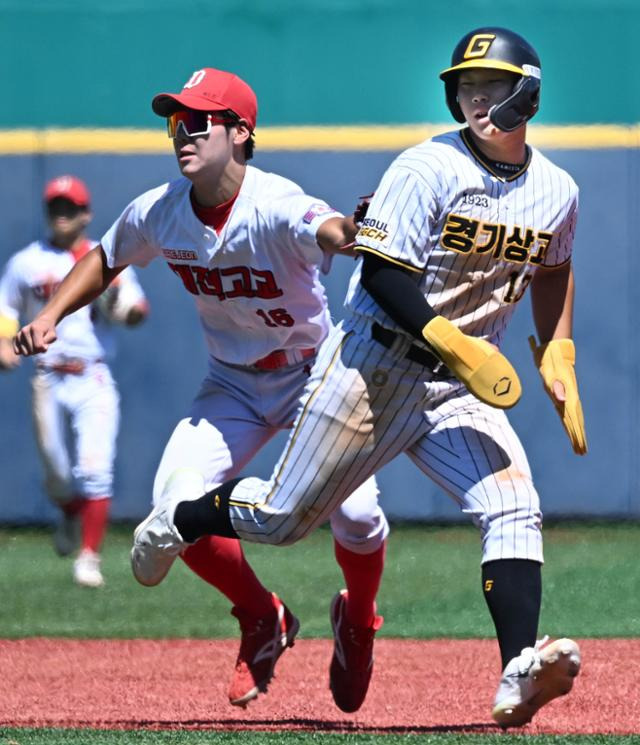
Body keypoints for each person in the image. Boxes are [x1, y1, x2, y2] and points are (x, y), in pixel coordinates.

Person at [118, 28, 587, 727]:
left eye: (490, 86)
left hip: (459, 385)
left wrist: (557, 348)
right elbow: (383, 272)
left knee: (514, 506)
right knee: (280, 518)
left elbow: (552, 263)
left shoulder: (557, 189)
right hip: (375, 363)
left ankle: (519, 668)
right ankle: (182, 517)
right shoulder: (427, 167)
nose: (476, 99)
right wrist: (452, 344)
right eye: (465, 87)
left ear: (529, 92)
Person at [12, 69, 389, 712]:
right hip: (234, 384)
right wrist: (51, 316)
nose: (180, 134)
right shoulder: (160, 209)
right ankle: (260, 615)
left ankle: (358, 620)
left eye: (196, 122)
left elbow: (325, 227)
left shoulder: (272, 201)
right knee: (172, 514)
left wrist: (353, 234)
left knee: (355, 515)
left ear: (240, 133)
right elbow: (105, 257)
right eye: (172, 123)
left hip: (313, 376)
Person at [0, 175, 149, 588]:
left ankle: (89, 557)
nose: (61, 215)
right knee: (57, 473)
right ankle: (68, 509)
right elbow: (5, 311)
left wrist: (126, 309)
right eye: (55, 208)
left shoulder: (103, 257)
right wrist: (4, 344)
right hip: (47, 375)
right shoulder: (27, 262)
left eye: (69, 208)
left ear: (86, 214)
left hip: (93, 375)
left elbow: (135, 310)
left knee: (95, 469)